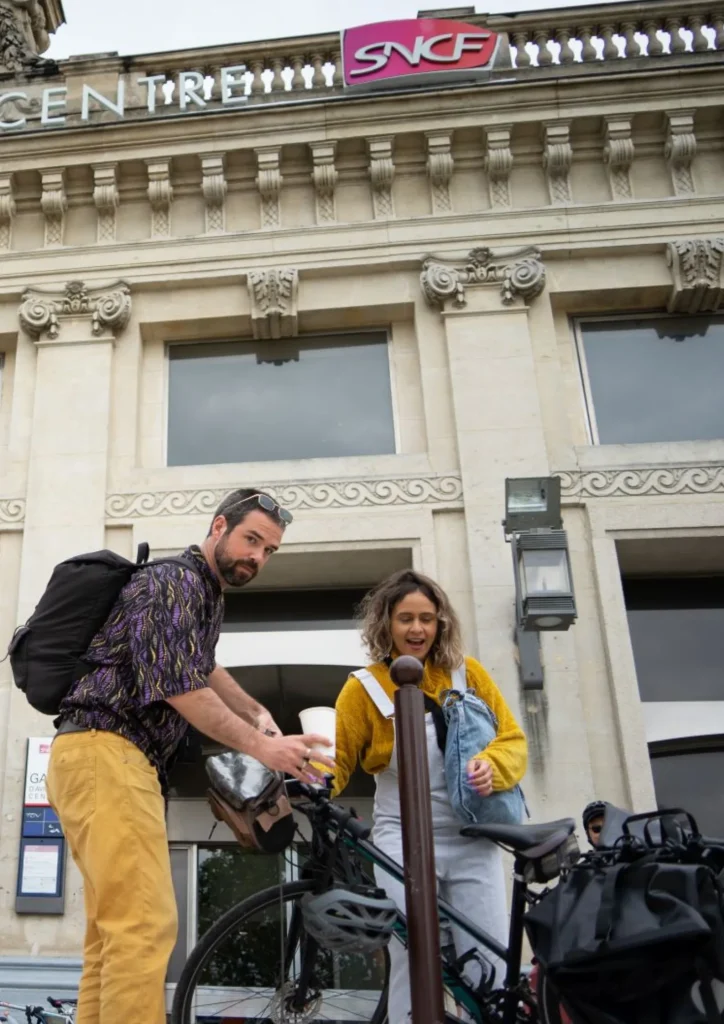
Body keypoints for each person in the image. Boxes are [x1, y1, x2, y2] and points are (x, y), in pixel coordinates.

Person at [46, 488, 334, 1024]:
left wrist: (256, 714)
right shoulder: (173, 581)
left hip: (96, 757)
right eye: (252, 540)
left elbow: (204, 667)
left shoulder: (202, 594)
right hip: (108, 751)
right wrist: (265, 747)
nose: (256, 557)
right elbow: (181, 685)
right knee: (144, 926)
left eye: (268, 551)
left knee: (112, 936)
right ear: (219, 526)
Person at [333, 569, 528, 1022]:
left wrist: (492, 766)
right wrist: (313, 779)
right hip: (400, 837)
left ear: (440, 623)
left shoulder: (467, 673)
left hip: (473, 838)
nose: (416, 629)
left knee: (490, 963)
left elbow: (513, 740)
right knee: (412, 956)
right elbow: (338, 761)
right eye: (405, 619)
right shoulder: (362, 689)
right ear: (386, 623)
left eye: (426, 618)